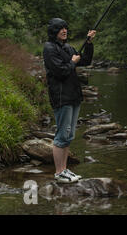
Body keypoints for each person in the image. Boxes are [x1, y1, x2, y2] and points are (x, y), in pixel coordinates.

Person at [43, 18, 96, 183]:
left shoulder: (68, 47)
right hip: (61, 97)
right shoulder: (49, 48)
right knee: (61, 135)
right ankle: (59, 173)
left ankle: (65, 170)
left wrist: (88, 43)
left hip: (74, 96)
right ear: (54, 31)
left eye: (65, 28)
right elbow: (60, 71)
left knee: (69, 135)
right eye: (60, 29)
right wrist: (72, 62)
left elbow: (85, 60)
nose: (64, 31)